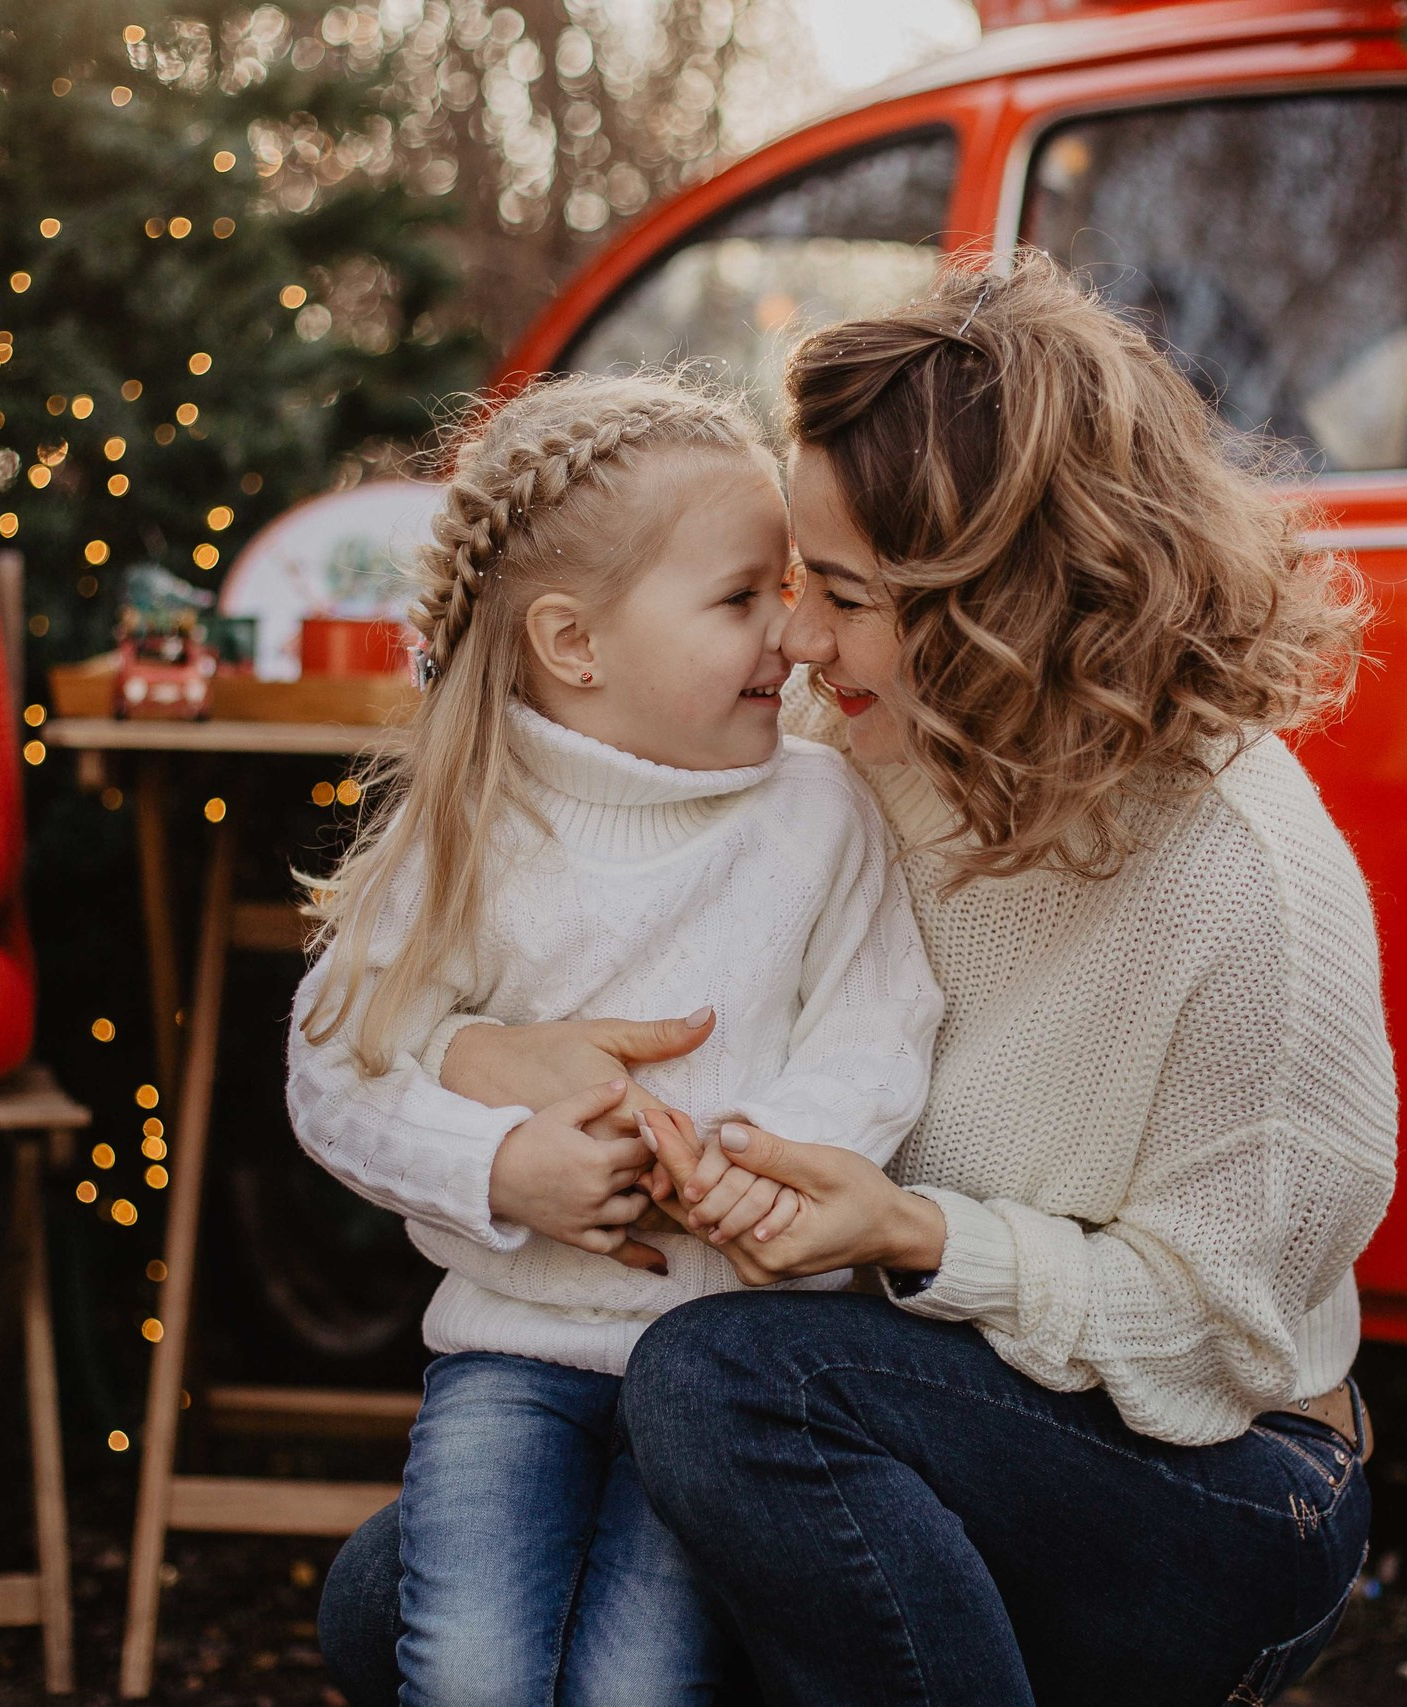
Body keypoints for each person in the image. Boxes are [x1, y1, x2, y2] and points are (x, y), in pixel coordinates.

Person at [323, 254, 1397, 1706]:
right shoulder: (840, 748)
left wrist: (910, 1231)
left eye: (839, 594)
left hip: (1213, 1485)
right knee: (389, 1597)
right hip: (877, 1413)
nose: (802, 647)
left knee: (722, 1390)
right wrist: (483, 1066)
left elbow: (1222, 1328)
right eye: (783, 590)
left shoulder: (1246, 884)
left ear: (1006, 598)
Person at [289, 372, 943, 1707]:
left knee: (636, 1690)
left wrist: (764, 1162)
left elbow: (877, 1027)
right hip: (510, 1359)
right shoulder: (477, 822)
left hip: (718, 1381)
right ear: (573, 643)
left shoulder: (818, 810)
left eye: (795, 586)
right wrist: (496, 1169)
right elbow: (337, 1065)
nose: (793, 629)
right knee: (469, 1672)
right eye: (741, 597)